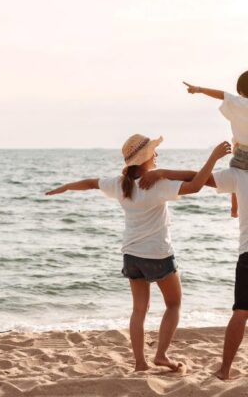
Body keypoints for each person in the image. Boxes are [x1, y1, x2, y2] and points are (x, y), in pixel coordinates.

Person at [45, 134, 230, 372]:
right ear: (145, 159)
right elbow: (195, 186)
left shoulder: (120, 184)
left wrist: (65, 187)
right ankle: (161, 355)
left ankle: (140, 363)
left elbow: (91, 183)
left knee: (138, 310)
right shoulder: (155, 184)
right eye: (154, 152)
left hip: (131, 255)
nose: (157, 155)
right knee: (174, 304)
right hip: (158, 254)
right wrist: (213, 157)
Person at [183, 70, 248, 218]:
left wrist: (198, 89)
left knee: (235, 179)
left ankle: (234, 210)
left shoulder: (239, 102)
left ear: (242, 90)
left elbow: (221, 94)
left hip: (241, 154)